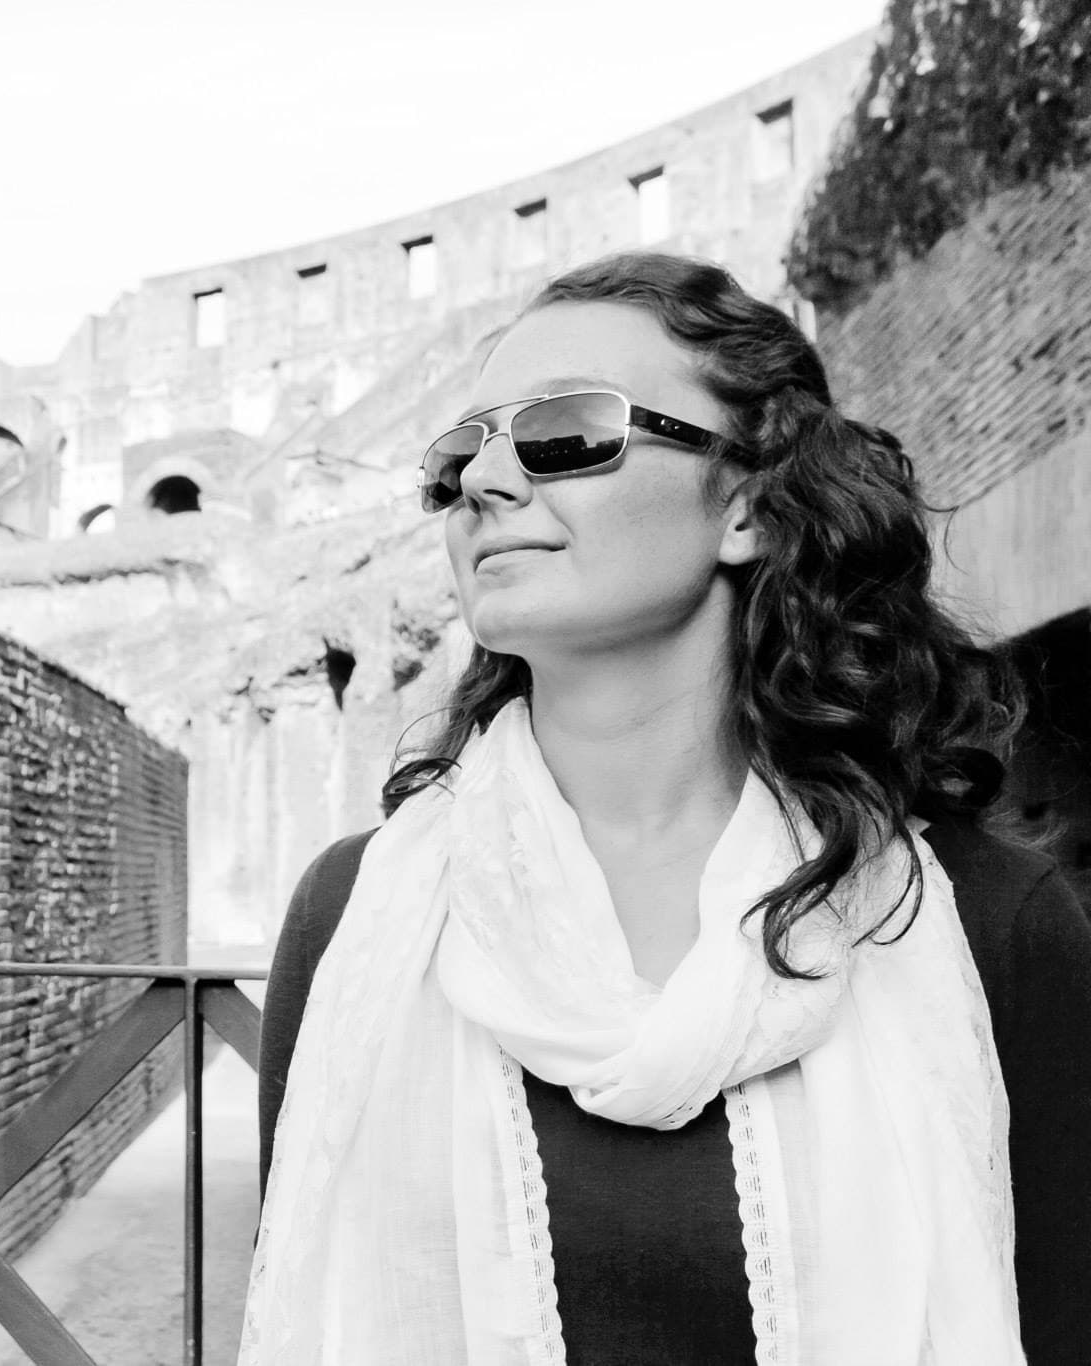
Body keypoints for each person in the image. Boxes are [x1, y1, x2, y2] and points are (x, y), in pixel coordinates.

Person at [243, 252, 1091, 1364]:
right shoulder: (352, 913)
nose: (483, 484)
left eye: (565, 431)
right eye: (458, 456)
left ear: (743, 503)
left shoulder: (991, 923)